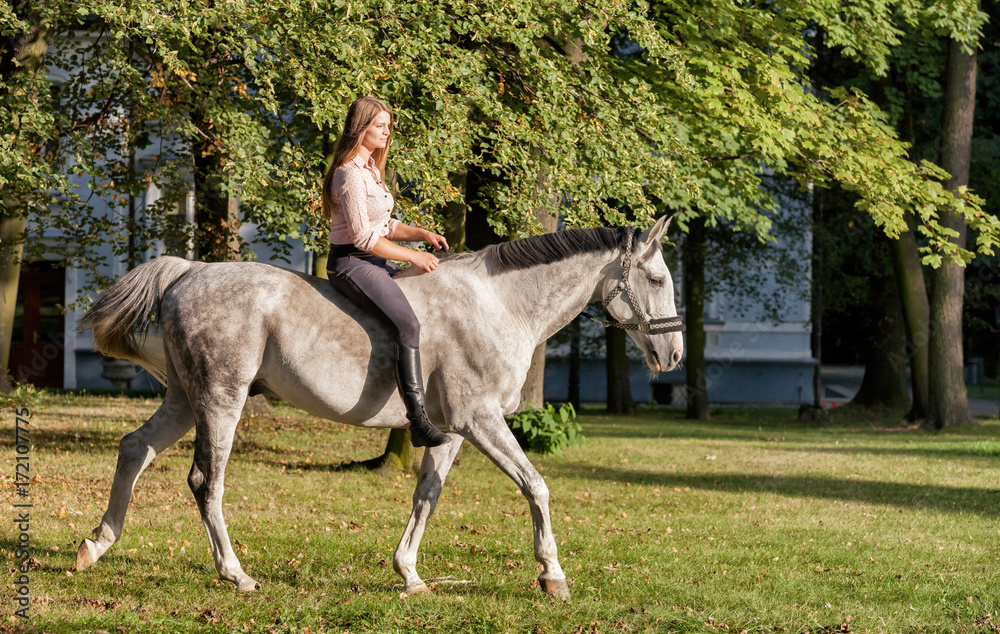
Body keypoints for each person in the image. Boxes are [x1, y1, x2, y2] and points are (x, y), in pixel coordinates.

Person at [321, 96, 451, 448]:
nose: (386, 131)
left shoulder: (371, 171)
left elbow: (385, 225)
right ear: (361, 128)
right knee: (408, 324)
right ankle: (418, 421)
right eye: (380, 125)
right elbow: (364, 238)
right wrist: (413, 257)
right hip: (353, 262)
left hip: (374, 258)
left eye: (388, 125)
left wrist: (421, 234)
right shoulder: (349, 173)